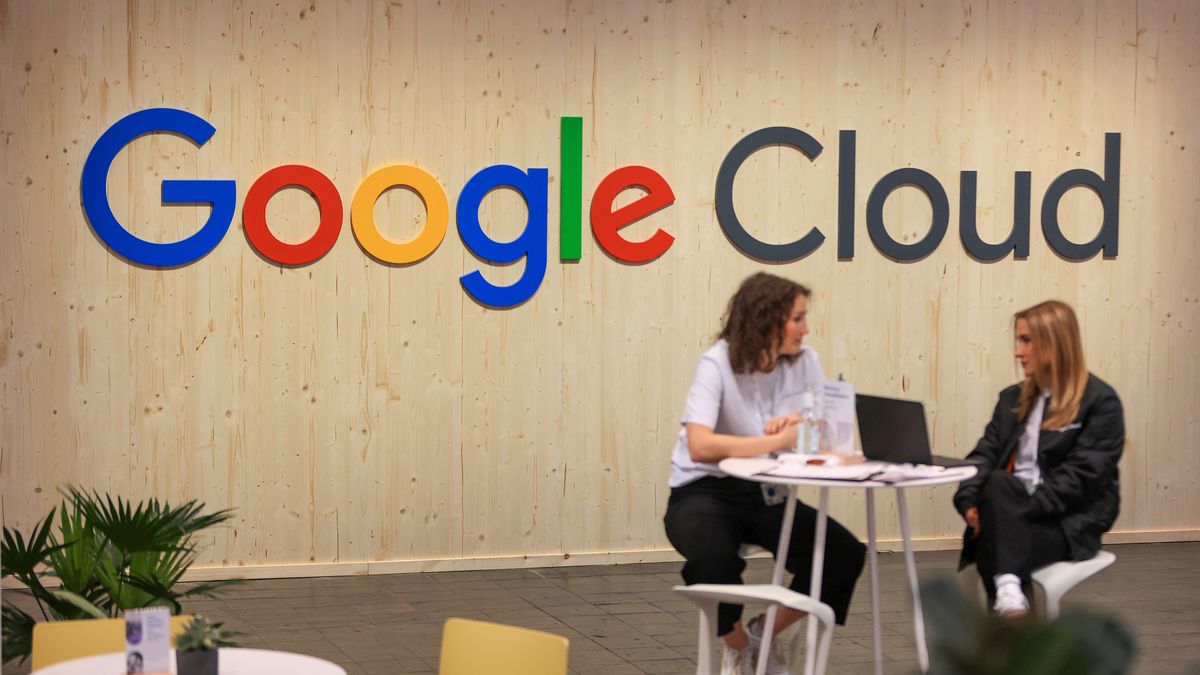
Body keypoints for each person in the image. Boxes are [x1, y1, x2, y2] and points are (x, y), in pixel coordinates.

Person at [663, 272, 866, 675]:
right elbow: (701, 445)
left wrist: (799, 422)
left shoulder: (805, 361)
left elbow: (821, 428)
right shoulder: (717, 362)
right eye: (797, 319)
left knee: (845, 554)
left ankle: (761, 635)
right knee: (713, 561)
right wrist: (772, 441)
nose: (806, 329)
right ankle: (737, 645)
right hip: (703, 491)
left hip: (767, 493)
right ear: (766, 320)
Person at [953, 300, 1124, 617]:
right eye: (1018, 340)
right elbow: (983, 456)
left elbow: (1082, 478)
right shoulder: (1011, 399)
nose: (1018, 351)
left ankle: (1009, 616)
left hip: (1065, 521)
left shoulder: (1099, 402)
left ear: (1056, 343)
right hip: (1008, 511)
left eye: (1027, 341)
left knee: (991, 538)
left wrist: (1014, 511)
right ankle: (1014, 612)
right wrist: (968, 503)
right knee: (999, 485)